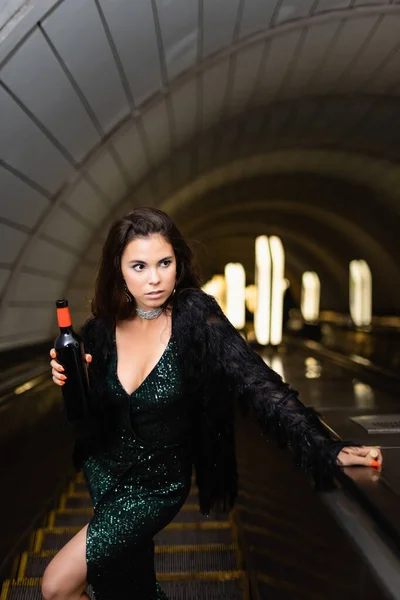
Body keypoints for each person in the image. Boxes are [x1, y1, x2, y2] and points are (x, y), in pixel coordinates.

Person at [42, 207, 382, 600]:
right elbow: (89, 421)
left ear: (178, 263)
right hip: (106, 473)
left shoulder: (196, 317)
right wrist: (72, 385)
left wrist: (325, 448)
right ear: (118, 269)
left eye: (164, 263)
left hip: (156, 484)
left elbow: (258, 383)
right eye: (139, 266)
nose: (154, 278)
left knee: (56, 585)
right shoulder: (100, 330)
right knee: (127, 590)